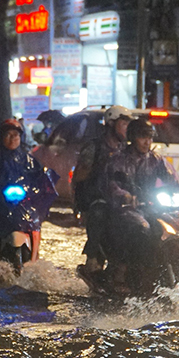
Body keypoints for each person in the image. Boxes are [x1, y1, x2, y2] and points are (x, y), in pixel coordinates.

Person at [101, 118, 179, 292]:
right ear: (132, 138)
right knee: (141, 228)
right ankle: (124, 271)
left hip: (151, 208)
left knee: (176, 227)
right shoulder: (118, 160)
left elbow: (174, 180)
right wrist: (127, 197)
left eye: (150, 138)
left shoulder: (156, 159)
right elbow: (112, 185)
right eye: (143, 137)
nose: (147, 142)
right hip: (127, 210)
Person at [0, 119, 57, 262]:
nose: (13, 138)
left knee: (35, 223)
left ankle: (35, 256)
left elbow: (38, 180)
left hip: (23, 206)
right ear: (2, 137)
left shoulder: (29, 161)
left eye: (16, 135)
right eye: (9, 134)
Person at [73, 104, 134, 279]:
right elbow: (79, 178)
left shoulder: (127, 150)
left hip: (122, 200)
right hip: (98, 200)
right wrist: (79, 206)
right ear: (111, 124)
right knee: (99, 214)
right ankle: (93, 259)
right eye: (124, 124)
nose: (127, 129)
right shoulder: (95, 147)